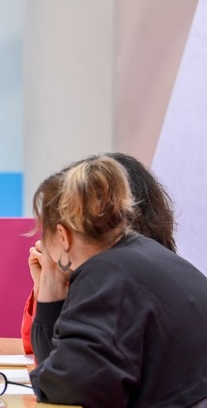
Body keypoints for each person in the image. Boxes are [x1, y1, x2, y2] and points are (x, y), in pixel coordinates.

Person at [28, 155, 207, 407]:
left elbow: (71, 388)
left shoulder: (104, 273)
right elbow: (64, 370)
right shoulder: (145, 255)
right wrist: (51, 282)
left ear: (62, 235)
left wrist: (43, 380)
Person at [20, 152, 177, 354]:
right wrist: (44, 287)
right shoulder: (94, 269)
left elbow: (62, 361)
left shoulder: (123, 280)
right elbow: (37, 348)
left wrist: (51, 282)